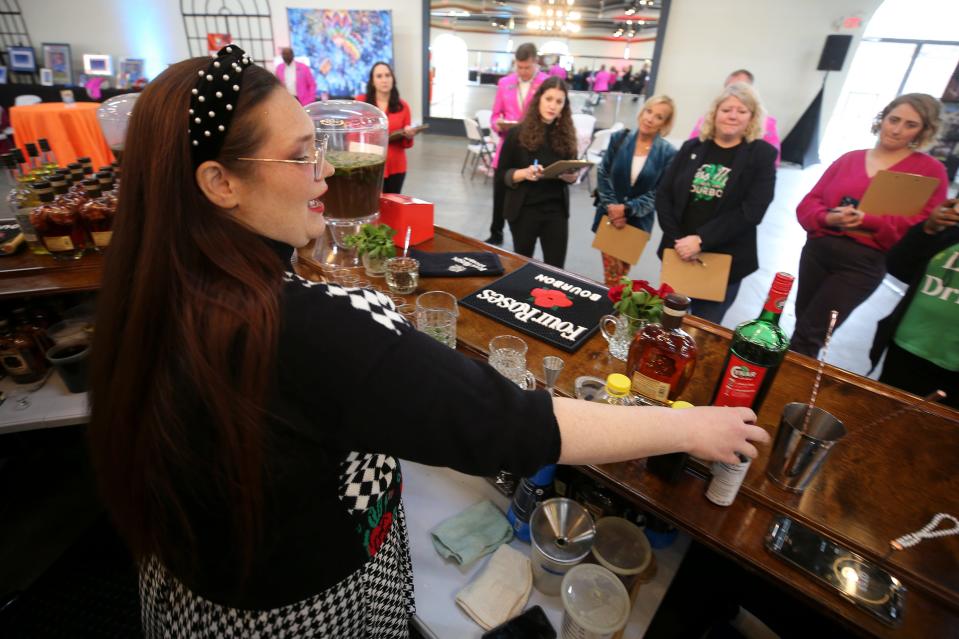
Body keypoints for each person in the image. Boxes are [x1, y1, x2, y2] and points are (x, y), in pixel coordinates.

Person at [87, 47, 766, 637]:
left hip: (195, 587)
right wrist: (685, 428)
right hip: (301, 604)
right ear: (218, 181)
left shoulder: (153, 280)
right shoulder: (311, 328)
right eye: (300, 154)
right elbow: (514, 421)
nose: (324, 172)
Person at [790, 93, 947, 357]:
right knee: (803, 324)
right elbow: (809, 203)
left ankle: (773, 390)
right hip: (818, 249)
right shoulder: (849, 159)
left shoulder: (929, 171)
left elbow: (921, 227)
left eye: (910, 125)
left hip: (864, 261)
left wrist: (869, 220)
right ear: (882, 118)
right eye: (893, 119)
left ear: (923, 131)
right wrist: (828, 217)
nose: (897, 130)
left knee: (811, 334)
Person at [656, 82, 777, 324]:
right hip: (680, 254)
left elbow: (753, 210)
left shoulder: (761, 154)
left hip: (724, 262)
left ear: (752, 118)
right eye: (726, 109)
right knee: (667, 324)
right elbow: (664, 194)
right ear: (714, 113)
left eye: (742, 111)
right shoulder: (693, 147)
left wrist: (701, 240)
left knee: (704, 329)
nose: (732, 116)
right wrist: (680, 241)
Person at [870, 201, 959, 408]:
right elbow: (899, 267)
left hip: (953, 363)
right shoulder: (950, 230)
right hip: (908, 345)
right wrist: (928, 229)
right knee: (885, 412)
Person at [593, 95, 678, 286]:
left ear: (664, 123)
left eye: (658, 117)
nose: (650, 119)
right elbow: (603, 172)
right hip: (609, 218)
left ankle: (611, 310)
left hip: (637, 223)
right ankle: (609, 311)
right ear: (642, 111)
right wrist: (613, 207)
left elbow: (659, 192)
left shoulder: (668, 153)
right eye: (649, 111)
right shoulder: (620, 138)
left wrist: (627, 209)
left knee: (621, 275)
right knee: (613, 277)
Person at [498, 77, 579, 268]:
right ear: (539, 99)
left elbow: (572, 169)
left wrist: (571, 177)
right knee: (522, 267)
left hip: (556, 211)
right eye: (549, 99)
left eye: (559, 101)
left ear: (564, 106)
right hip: (525, 210)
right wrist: (524, 173)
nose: (553, 106)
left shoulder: (567, 136)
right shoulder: (517, 133)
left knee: (556, 268)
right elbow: (502, 174)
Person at [487, 43, 548, 246]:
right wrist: (498, 125)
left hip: (533, 147)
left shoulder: (546, 83)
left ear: (535, 63)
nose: (522, 72)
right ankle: (496, 233)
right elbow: (495, 114)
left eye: (527, 68)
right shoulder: (505, 83)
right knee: (499, 192)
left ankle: (521, 239)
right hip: (507, 145)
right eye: (519, 67)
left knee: (523, 197)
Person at [689, 69, 780, 164]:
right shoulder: (705, 120)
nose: (735, 92)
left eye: (742, 88)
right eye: (730, 88)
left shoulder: (767, 124)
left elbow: (772, 162)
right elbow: (691, 151)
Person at [360, 61, 414, 194]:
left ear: (393, 79)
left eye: (387, 75)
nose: (384, 80)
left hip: (396, 166)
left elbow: (407, 144)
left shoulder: (403, 106)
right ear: (372, 81)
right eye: (379, 76)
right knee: (370, 205)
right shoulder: (361, 103)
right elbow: (352, 136)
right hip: (368, 165)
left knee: (393, 206)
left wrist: (409, 135)